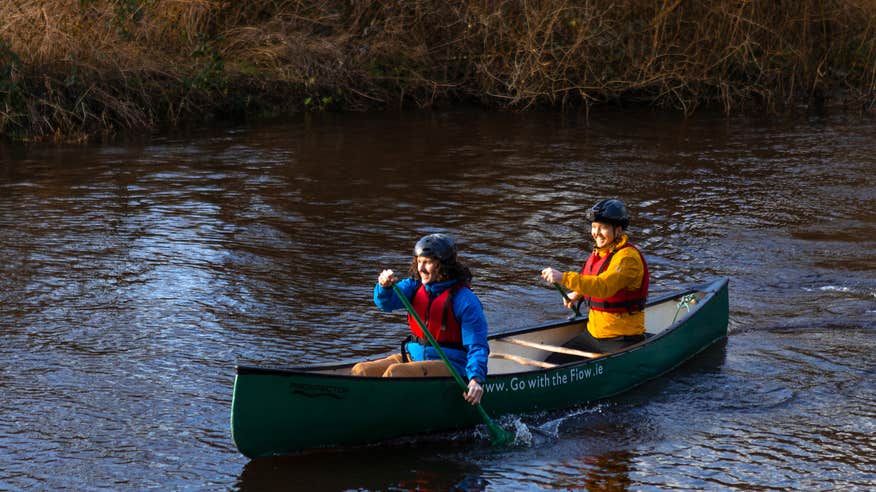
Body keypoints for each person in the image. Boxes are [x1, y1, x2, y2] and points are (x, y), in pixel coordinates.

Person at [351, 233, 490, 406]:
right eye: (419, 261)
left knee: (396, 373)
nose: (421, 268)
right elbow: (386, 303)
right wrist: (384, 287)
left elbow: (477, 345)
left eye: (428, 262)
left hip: (451, 365)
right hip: (413, 356)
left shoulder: (465, 299)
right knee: (361, 371)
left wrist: (476, 379)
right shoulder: (414, 286)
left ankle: (374, 412)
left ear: (443, 265)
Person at [540, 198, 649, 356]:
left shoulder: (628, 259)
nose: (596, 233)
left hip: (621, 339)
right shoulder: (601, 252)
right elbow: (590, 278)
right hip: (593, 334)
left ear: (618, 230)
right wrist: (577, 294)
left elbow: (603, 286)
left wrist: (563, 277)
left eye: (603, 227)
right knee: (552, 362)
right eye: (594, 227)